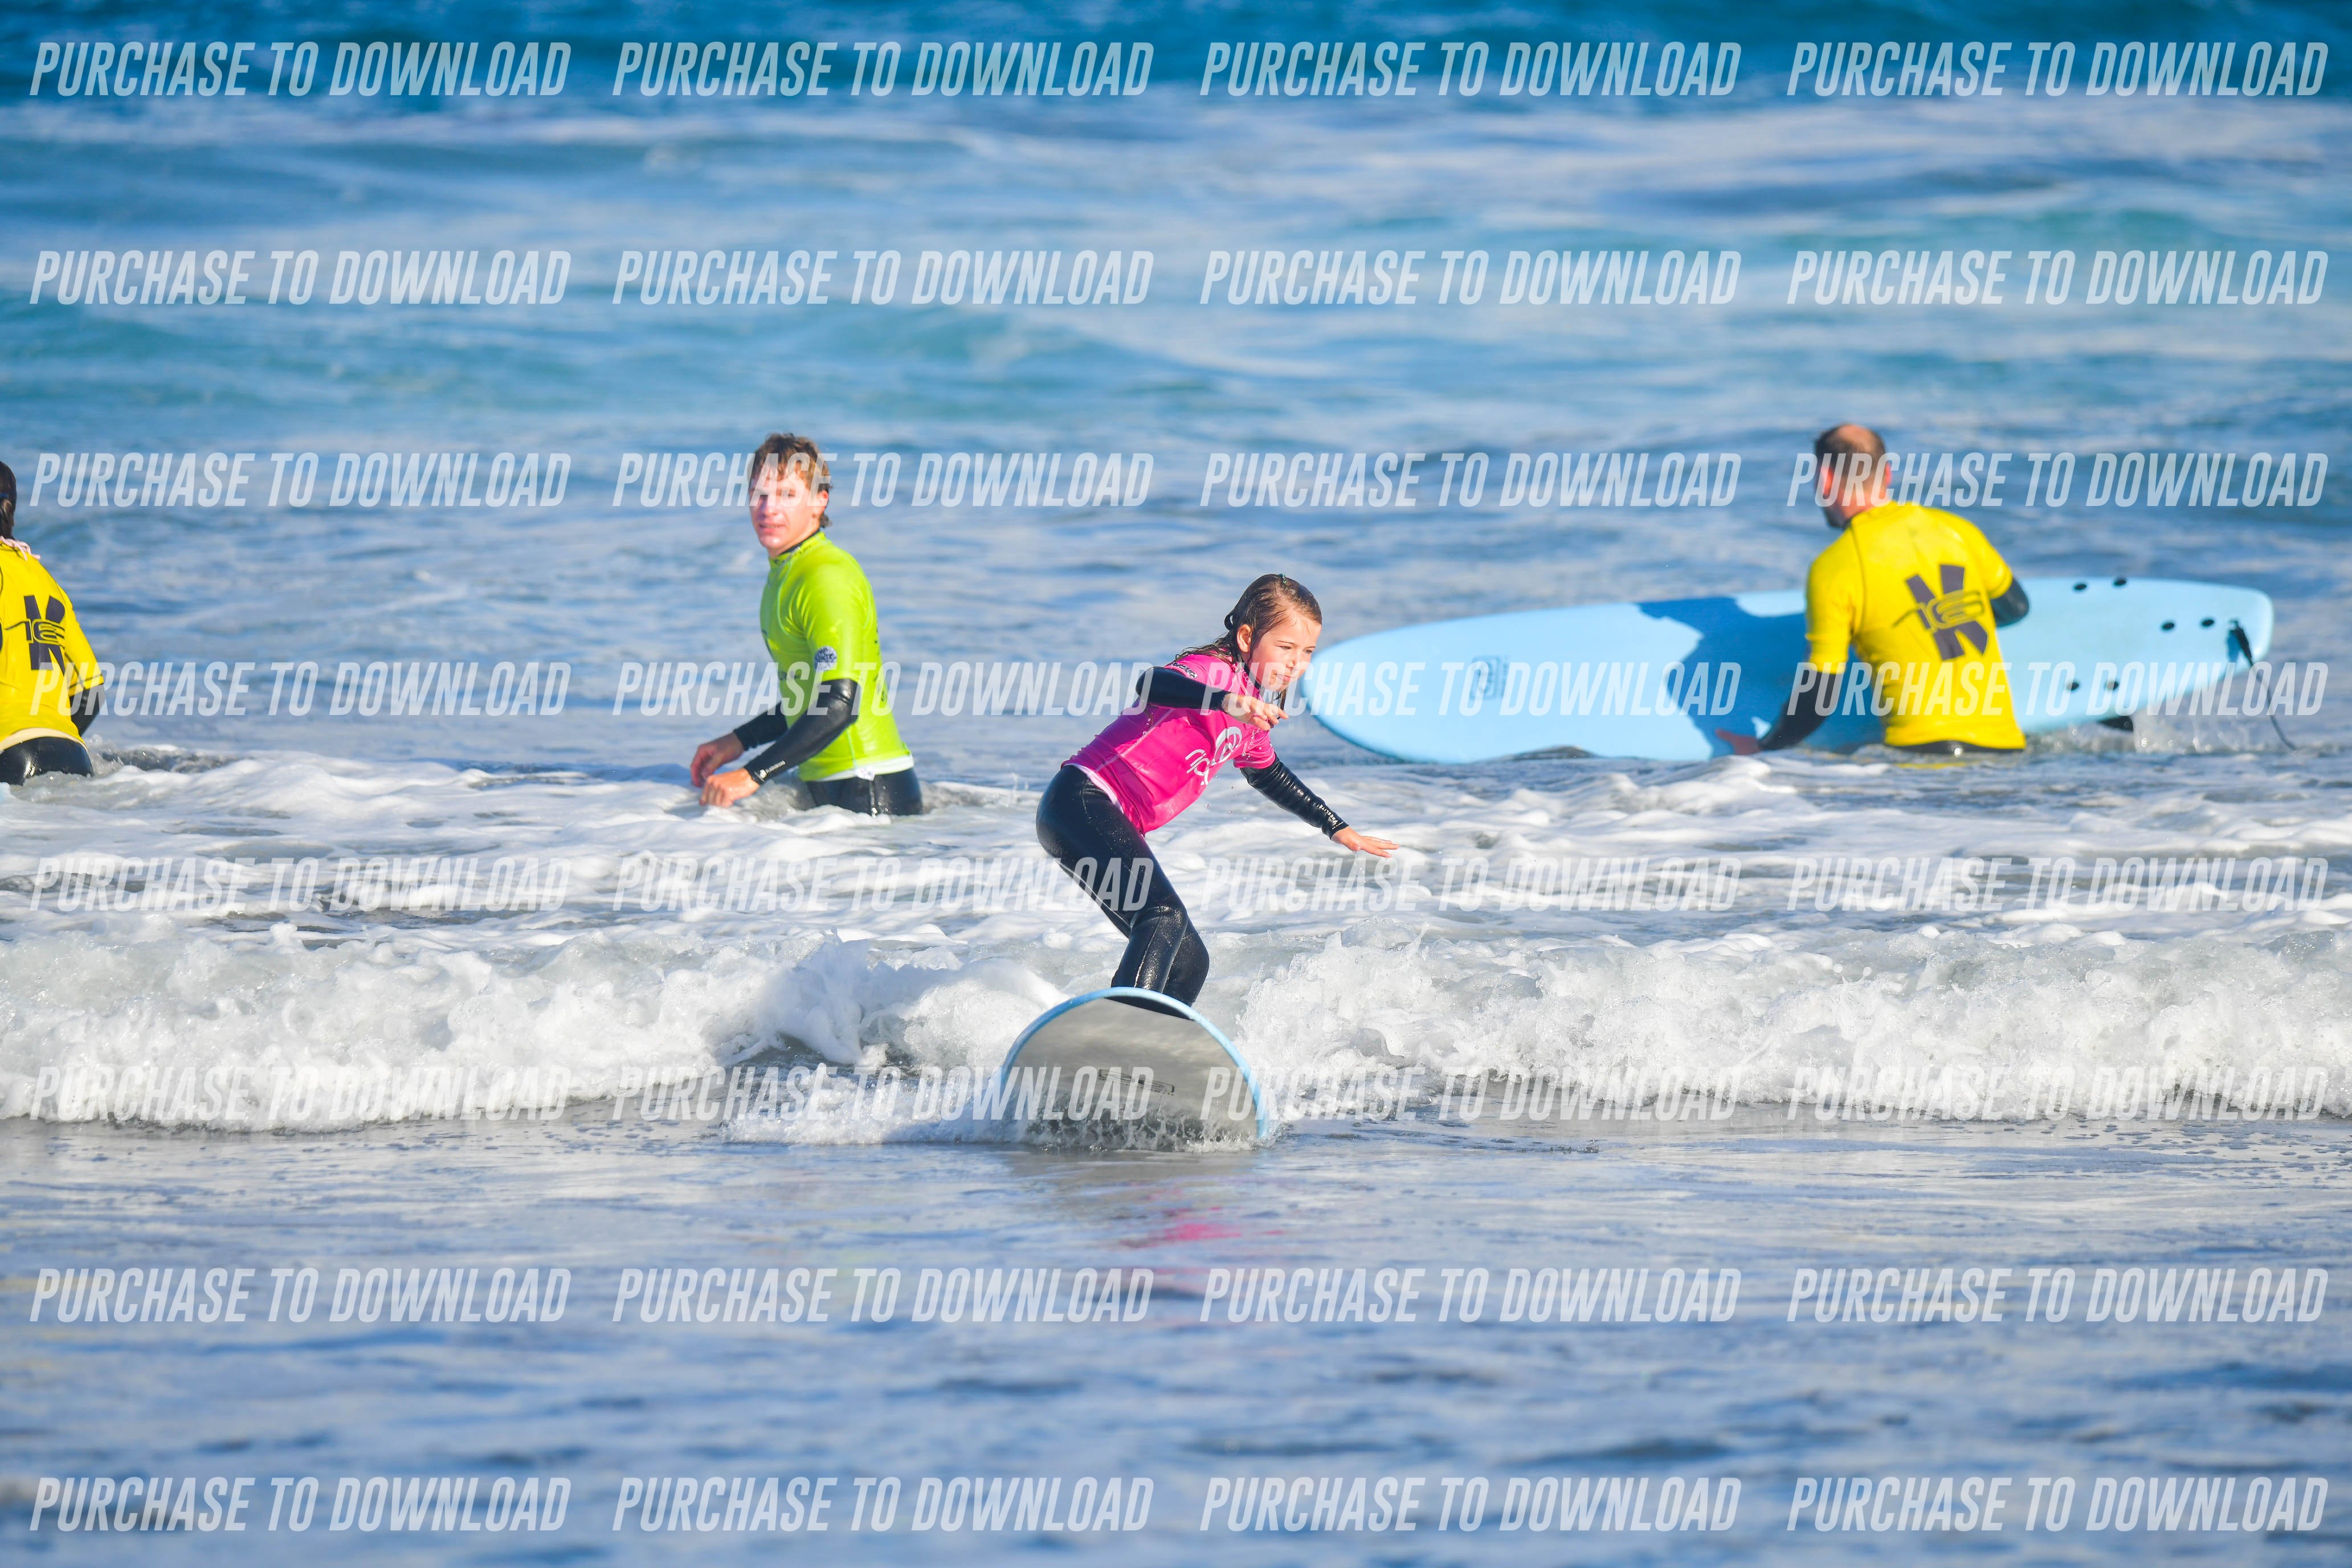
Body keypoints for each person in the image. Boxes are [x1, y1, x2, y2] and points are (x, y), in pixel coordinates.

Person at [1037, 574, 1398, 1007]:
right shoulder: (1215, 674)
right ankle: (1122, 1026)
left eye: (1307, 652)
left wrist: (1335, 827)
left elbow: (1268, 774)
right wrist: (1225, 701)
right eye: (1286, 648)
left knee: (1191, 962)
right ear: (1247, 638)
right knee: (1162, 917)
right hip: (1082, 801)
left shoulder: (1254, 711)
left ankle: (1155, 1038)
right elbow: (1151, 683)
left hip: (1103, 819)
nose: (1296, 664)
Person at [1720, 423, 2030, 757]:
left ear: (1825, 480)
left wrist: (1765, 747)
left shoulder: (1835, 567)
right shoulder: (1960, 531)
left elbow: (1820, 695)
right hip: (2006, 753)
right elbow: (2016, 608)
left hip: (1924, 760)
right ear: (1887, 473)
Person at [689, 434, 921, 815]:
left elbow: (840, 703)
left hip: (868, 788)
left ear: (819, 502)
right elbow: (808, 697)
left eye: (787, 495)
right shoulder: (785, 574)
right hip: (836, 790)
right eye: (760, 494)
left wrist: (752, 774)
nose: (769, 508)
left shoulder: (825, 576)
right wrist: (739, 741)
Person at [1, 460, 105, 785]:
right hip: (72, 754)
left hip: (7, 752)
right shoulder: (45, 579)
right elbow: (92, 690)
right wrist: (50, 732)